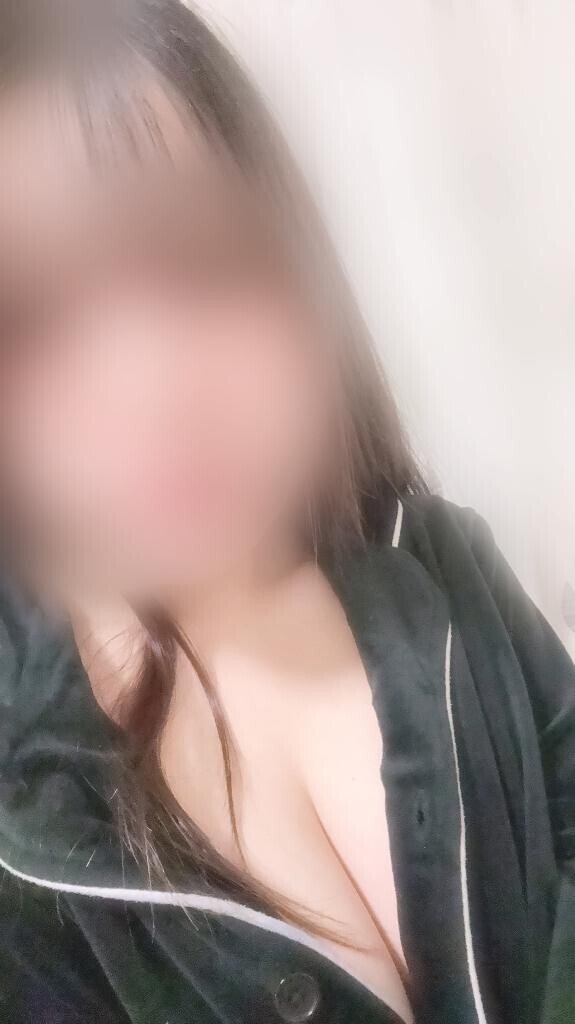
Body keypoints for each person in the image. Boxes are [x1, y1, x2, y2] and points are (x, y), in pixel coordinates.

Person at [0, 2, 573, 1023]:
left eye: (198, 259)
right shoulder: (23, 837)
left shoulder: (446, 566)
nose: (153, 385)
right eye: (31, 320)